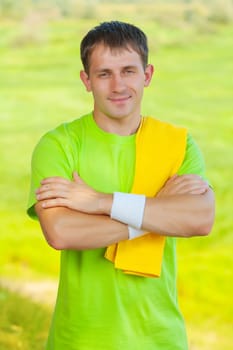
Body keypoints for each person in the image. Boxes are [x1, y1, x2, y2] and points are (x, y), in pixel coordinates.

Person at [27, 21, 215, 350]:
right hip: (81, 339)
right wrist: (155, 213)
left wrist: (100, 202)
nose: (118, 85)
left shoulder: (177, 145)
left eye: (128, 71)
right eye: (104, 74)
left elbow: (199, 220)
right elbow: (62, 233)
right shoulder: (59, 145)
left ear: (148, 75)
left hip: (161, 339)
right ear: (86, 80)